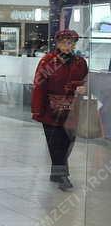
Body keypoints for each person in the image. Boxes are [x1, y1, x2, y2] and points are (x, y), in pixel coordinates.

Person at [31, 29, 88, 191]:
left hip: (72, 110)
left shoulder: (80, 62)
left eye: (70, 42)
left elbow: (86, 81)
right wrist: (37, 109)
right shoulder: (48, 61)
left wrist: (83, 88)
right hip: (51, 110)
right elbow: (39, 85)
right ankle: (63, 176)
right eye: (63, 42)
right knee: (56, 144)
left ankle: (56, 173)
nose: (67, 46)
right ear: (57, 43)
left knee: (67, 142)